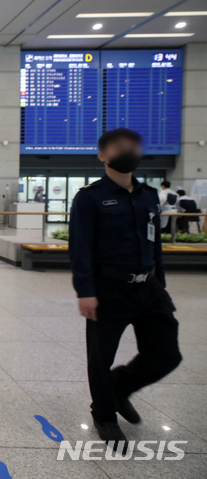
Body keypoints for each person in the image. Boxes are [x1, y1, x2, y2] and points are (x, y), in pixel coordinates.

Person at [68, 128, 182, 452]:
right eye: (118, 147)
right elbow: (80, 248)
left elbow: (154, 243)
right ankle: (104, 413)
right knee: (100, 357)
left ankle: (118, 388)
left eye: (131, 146)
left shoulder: (147, 196)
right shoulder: (89, 198)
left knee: (166, 354)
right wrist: (85, 290)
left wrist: (160, 281)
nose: (126, 150)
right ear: (103, 155)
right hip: (108, 289)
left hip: (149, 287)